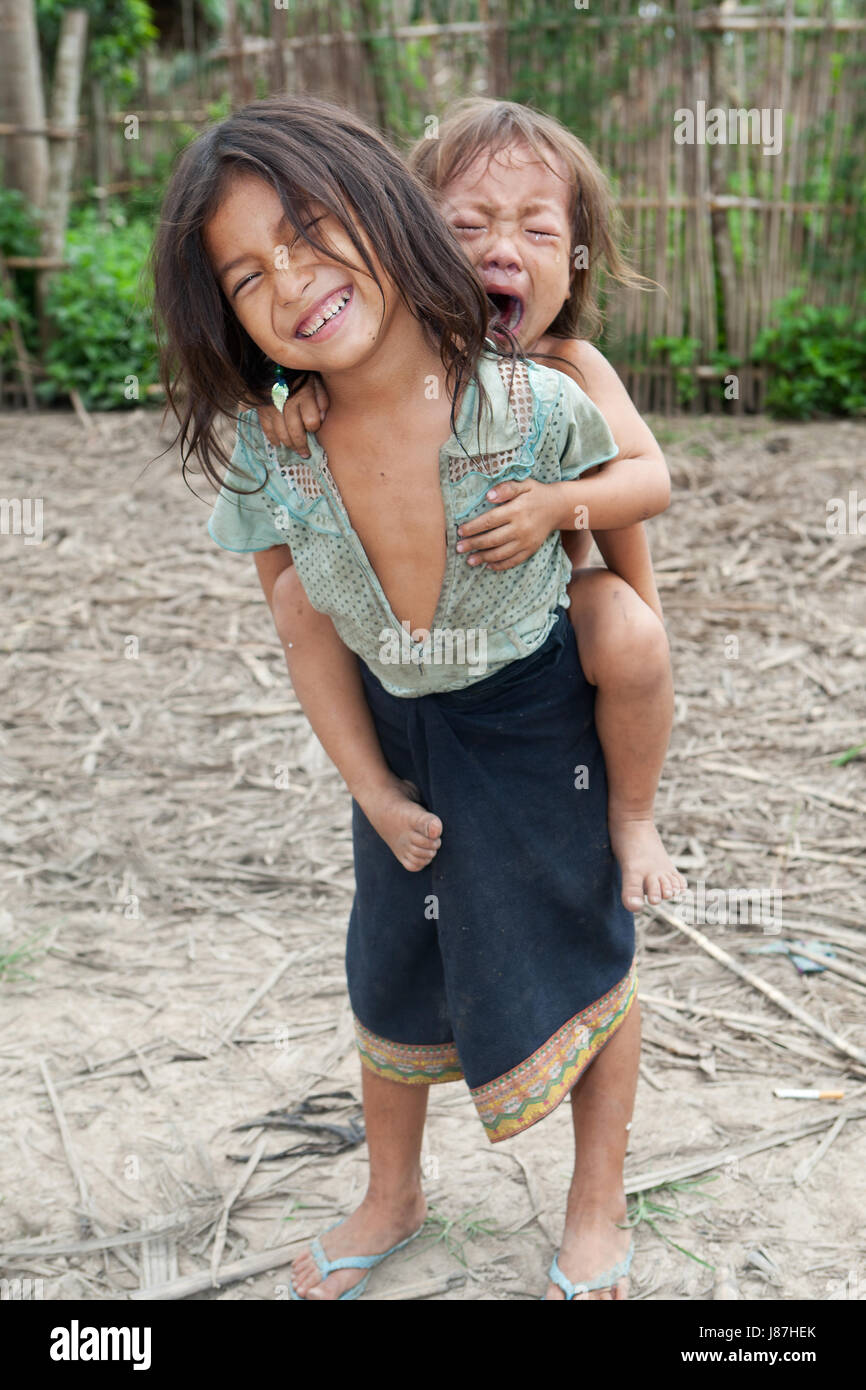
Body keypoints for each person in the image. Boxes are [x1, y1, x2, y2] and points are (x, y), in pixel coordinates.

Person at [153, 94, 656, 1300]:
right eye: (247, 273)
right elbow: (297, 621)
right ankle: (390, 1190)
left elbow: (634, 542)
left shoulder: (534, 395)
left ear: (383, 219)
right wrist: (369, 785)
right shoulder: (287, 440)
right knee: (388, 966)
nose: (290, 279)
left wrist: (621, 675)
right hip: (396, 724)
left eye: (314, 230)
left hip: (538, 716)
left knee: (588, 952)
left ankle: (597, 1204)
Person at [256, 98, 685, 912]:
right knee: (297, 601)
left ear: (576, 263)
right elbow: (288, 359)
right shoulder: (377, 365)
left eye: (539, 232)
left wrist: (557, 505)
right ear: (406, 245)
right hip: (413, 640)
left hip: (548, 618)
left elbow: (647, 482)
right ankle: (377, 785)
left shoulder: (572, 369)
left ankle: (634, 817)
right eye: (468, 227)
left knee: (630, 633)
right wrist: (281, 388)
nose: (503, 250)